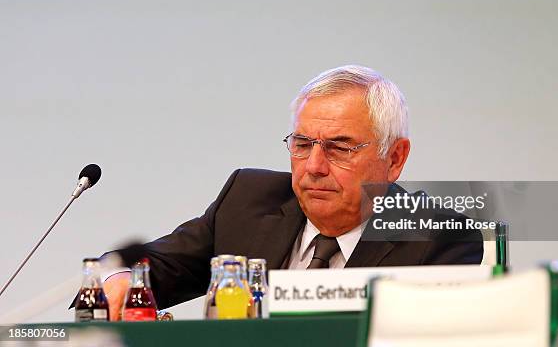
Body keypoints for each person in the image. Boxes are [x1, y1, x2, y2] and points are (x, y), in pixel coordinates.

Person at [100, 65, 482, 320]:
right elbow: (143, 267)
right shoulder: (248, 200)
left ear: (394, 158)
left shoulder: (437, 238)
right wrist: (116, 278)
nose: (314, 166)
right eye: (302, 144)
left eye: (339, 147)